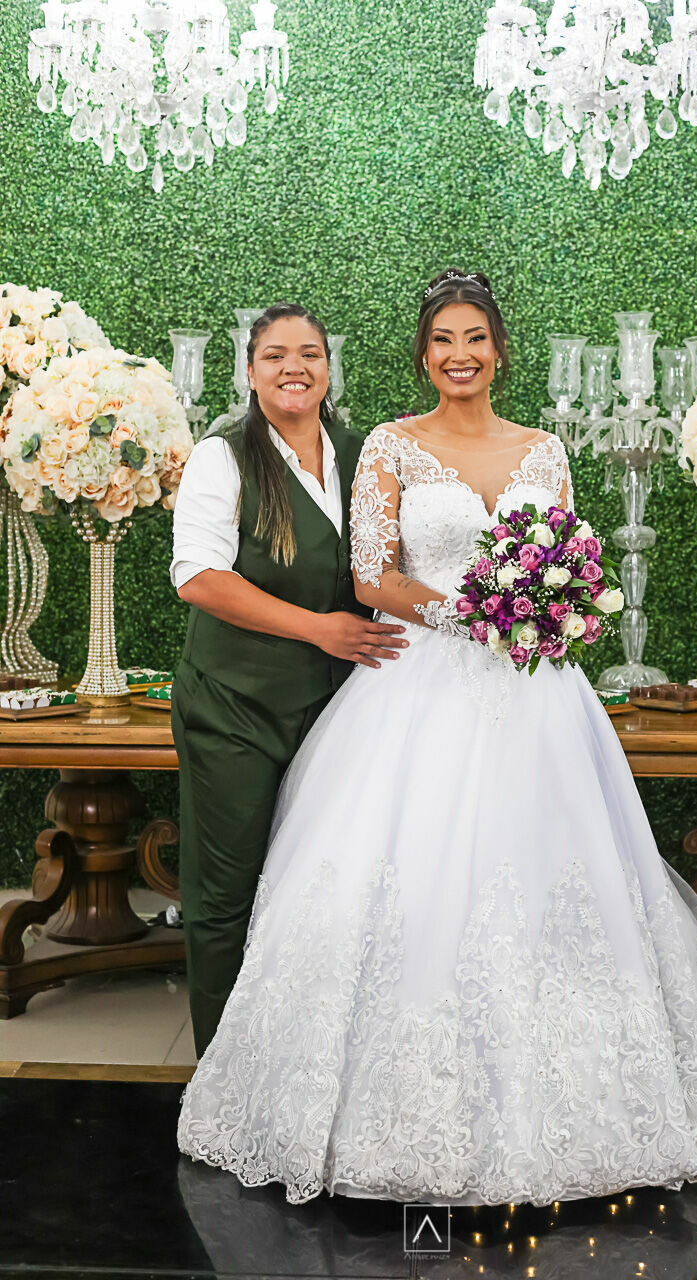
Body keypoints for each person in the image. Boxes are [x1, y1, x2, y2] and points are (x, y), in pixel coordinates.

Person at [177, 271, 697, 1209]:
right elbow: (373, 577)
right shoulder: (387, 445)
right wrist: (476, 609)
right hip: (418, 686)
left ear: (499, 350)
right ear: (423, 355)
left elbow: (574, 560)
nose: (460, 354)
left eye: (476, 339)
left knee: (549, 879)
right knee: (404, 879)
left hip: (536, 694)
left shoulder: (545, 449)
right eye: (443, 340)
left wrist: (552, 607)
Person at [170, 301, 407, 1058]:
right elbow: (198, 578)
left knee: (318, 892)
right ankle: (218, 1071)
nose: (294, 367)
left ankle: (297, 1064)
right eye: (275, 355)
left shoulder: (362, 449)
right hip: (234, 708)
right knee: (225, 895)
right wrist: (319, 629)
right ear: (249, 371)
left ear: (330, 368)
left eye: (309, 353)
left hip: (334, 710)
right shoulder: (224, 455)